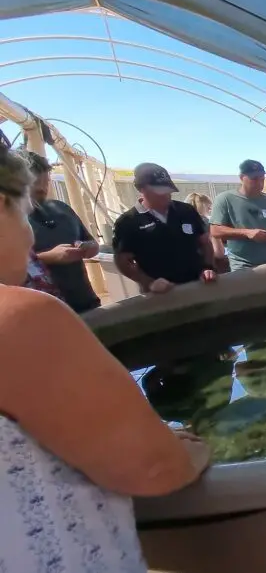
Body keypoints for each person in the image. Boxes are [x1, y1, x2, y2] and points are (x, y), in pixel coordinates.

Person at [0, 143, 211, 571]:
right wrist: (183, 448)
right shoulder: (20, 319)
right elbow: (153, 468)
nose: (28, 233)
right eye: (22, 213)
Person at [112, 163, 218, 294]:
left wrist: (207, 268)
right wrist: (148, 282)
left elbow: (205, 243)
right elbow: (122, 260)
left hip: (197, 285)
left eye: (168, 190)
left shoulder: (186, 211)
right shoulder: (128, 222)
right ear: (142, 189)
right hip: (160, 294)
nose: (166, 195)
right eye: (159, 191)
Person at [25, 151, 101, 313]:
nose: (42, 188)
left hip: (86, 304)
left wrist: (89, 247)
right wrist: (48, 257)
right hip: (43, 315)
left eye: (46, 181)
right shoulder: (8, 222)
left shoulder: (62, 209)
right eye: (35, 183)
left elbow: (92, 242)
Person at [210, 159, 266, 269]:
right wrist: (247, 233)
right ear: (242, 178)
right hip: (243, 265)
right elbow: (215, 230)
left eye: (262, 179)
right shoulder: (225, 199)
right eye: (254, 179)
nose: (260, 183)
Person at [186, 191, 228, 272]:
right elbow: (219, 253)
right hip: (209, 269)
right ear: (204, 206)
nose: (210, 209)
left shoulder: (181, 223)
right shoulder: (207, 223)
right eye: (209, 207)